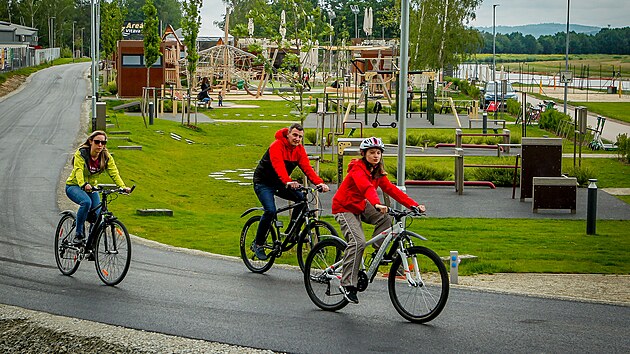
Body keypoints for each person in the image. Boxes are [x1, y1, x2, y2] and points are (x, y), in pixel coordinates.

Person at [331, 137, 425, 304]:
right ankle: (347, 285)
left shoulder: (377, 172)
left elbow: (391, 189)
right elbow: (366, 187)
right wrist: (376, 203)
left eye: (378, 153)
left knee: (387, 218)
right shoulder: (357, 169)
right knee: (358, 242)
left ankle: (378, 251)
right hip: (344, 207)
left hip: (360, 205)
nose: (376, 156)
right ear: (364, 154)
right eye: (372, 153)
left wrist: (413, 205)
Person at [252, 123, 330, 260]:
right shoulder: (277, 145)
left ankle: (292, 231)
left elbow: (307, 169)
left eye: (300, 136)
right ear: (287, 134)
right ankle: (258, 244)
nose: (297, 139)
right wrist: (288, 181)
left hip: (280, 183)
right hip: (263, 183)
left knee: (301, 200)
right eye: (294, 135)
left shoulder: (299, 150)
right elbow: (278, 166)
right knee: (270, 210)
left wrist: (320, 183)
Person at [65, 131, 132, 245]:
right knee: (86, 202)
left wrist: (122, 187)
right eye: (97, 142)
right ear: (91, 141)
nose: (100, 145)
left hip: (92, 188)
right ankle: (79, 234)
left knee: (98, 214)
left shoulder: (106, 157)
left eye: (103, 142)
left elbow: (114, 173)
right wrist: (83, 184)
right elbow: (78, 171)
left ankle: (91, 243)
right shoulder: (82, 154)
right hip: (74, 185)